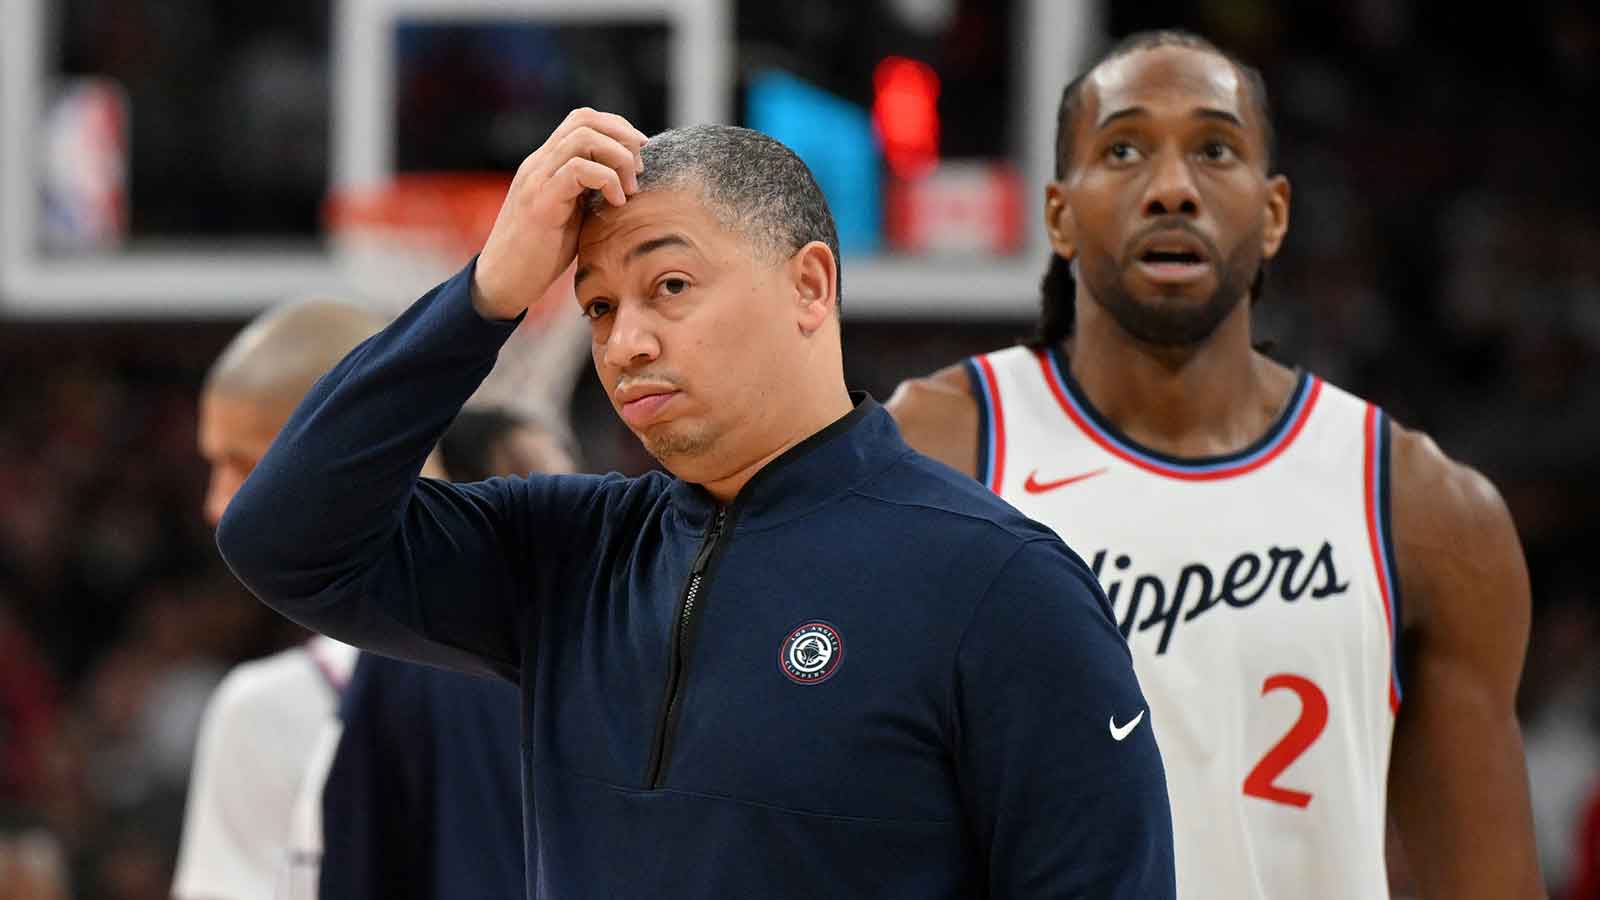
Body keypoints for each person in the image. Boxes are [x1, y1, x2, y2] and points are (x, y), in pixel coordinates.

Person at [216, 111, 1176, 898]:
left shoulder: (1002, 585)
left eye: (669, 286)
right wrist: (486, 295)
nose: (625, 341)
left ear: (810, 285)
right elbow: (283, 539)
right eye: (597, 306)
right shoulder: (566, 557)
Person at [886, 29, 1543, 900]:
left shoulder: (1424, 510)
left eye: (1214, 149)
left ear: (1273, 214)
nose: (1171, 189)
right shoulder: (939, 453)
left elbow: (1486, 882)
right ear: (1059, 214)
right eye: (1123, 149)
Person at [313, 407, 581, 900]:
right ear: (470, 509)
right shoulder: (401, 653)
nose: (572, 495)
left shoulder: (608, 633)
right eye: (537, 479)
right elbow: (362, 840)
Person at [173, 299, 392, 900]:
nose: (216, 505)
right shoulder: (269, 707)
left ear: (351, 455)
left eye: (242, 465)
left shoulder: (554, 653)